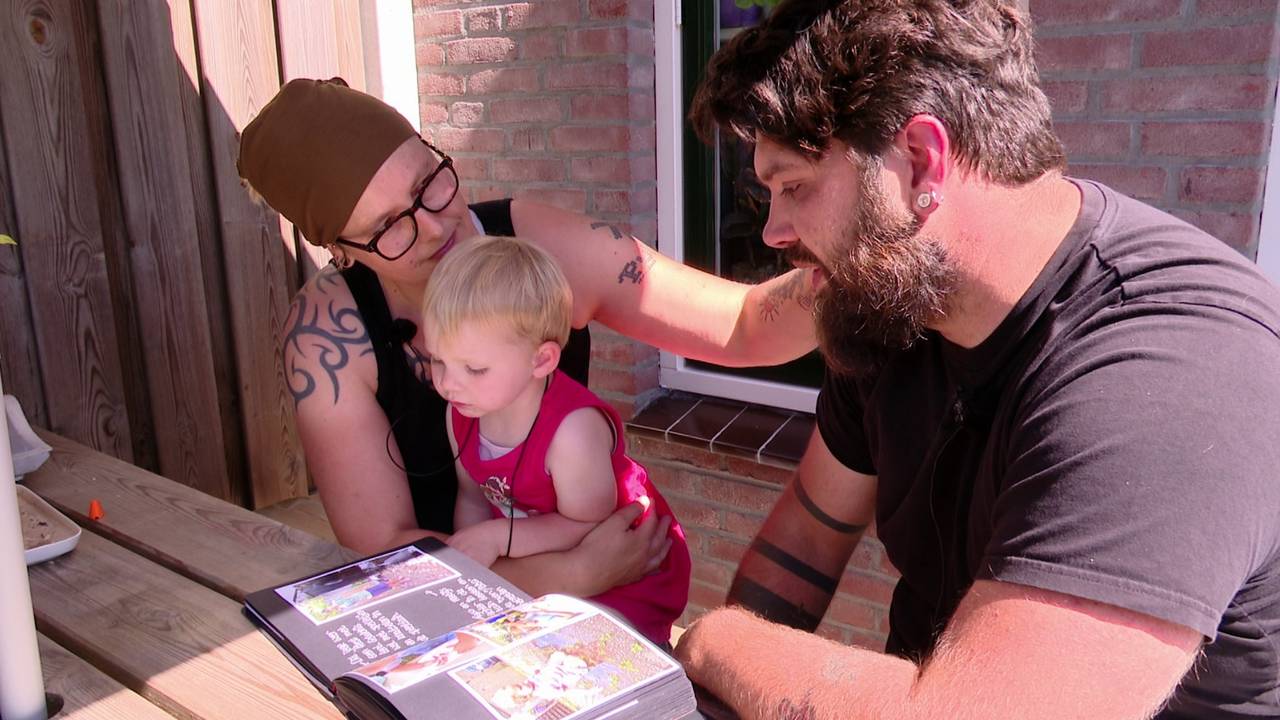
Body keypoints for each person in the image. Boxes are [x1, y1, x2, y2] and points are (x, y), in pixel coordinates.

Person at [672, 2, 1280, 719]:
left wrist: (713, 640)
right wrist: (705, 699)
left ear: (922, 160)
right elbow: (808, 536)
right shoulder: (891, 299)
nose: (773, 230)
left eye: (796, 186)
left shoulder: (1170, 374)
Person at [235, 78, 817, 599]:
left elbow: (743, 323)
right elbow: (380, 546)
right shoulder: (328, 338)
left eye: (430, 182)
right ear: (343, 251)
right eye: (389, 227)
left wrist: (867, 252)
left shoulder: (539, 243)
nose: (438, 226)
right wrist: (569, 576)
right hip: (448, 609)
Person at [422, 235, 690, 646]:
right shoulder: (462, 410)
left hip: (625, 568)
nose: (447, 384)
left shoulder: (573, 432)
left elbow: (589, 523)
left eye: (473, 368)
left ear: (541, 360)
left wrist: (498, 539)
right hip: (543, 555)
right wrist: (472, 571)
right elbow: (473, 497)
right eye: (437, 360)